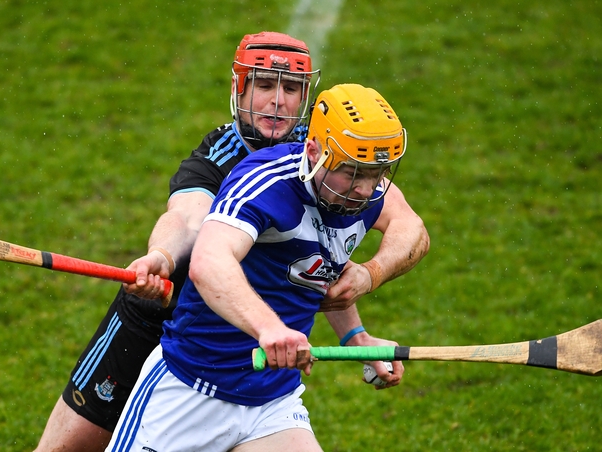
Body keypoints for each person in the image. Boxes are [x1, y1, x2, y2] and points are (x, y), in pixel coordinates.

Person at [35, 31, 324, 452]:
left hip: (234, 341)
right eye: (264, 85)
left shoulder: (316, 156)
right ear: (238, 88)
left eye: (291, 88)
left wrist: (359, 316)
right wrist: (161, 256)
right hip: (156, 317)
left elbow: (334, 240)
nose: (277, 100)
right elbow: (186, 219)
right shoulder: (216, 156)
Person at [105, 83, 426, 452]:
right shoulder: (266, 183)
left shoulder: (362, 189)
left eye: (377, 172)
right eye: (353, 172)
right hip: (191, 386)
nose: (366, 190)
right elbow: (209, 262)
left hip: (272, 403)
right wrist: (270, 328)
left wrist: (369, 284)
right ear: (314, 152)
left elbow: (412, 231)